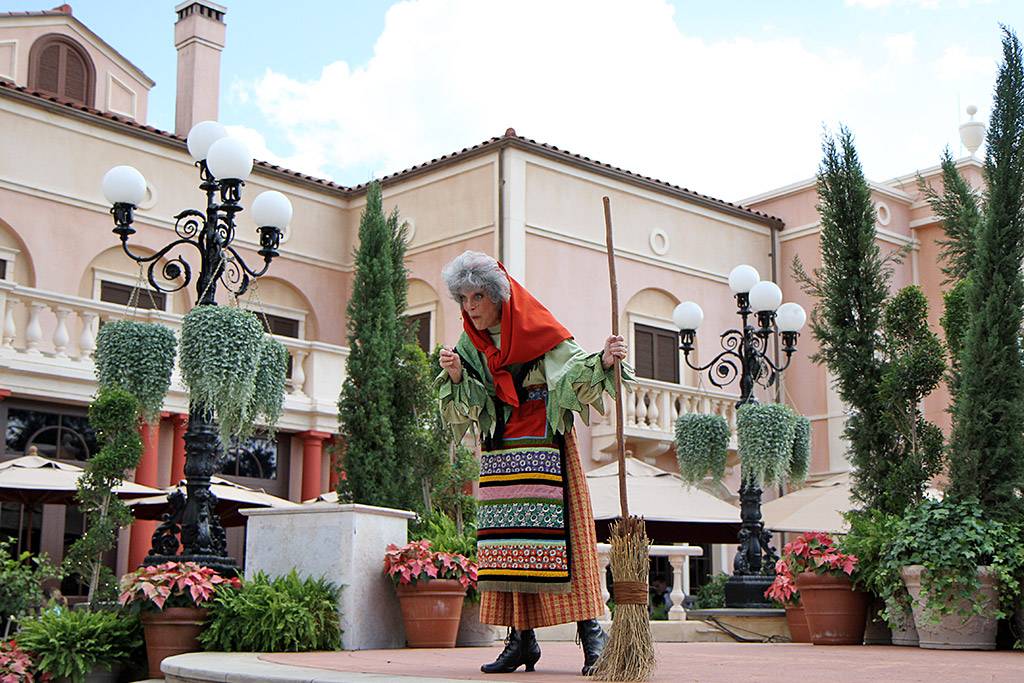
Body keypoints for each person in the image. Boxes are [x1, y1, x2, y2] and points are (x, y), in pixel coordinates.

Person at [437, 251, 630, 676]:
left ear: (498, 296)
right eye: (464, 299)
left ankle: (593, 639)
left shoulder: (538, 326)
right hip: (502, 452)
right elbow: (474, 398)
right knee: (506, 547)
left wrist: (606, 359)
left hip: (547, 443)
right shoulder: (471, 343)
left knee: (568, 544)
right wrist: (455, 375)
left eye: (477, 297)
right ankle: (521, 642)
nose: (470, 307)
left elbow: (577, 368)